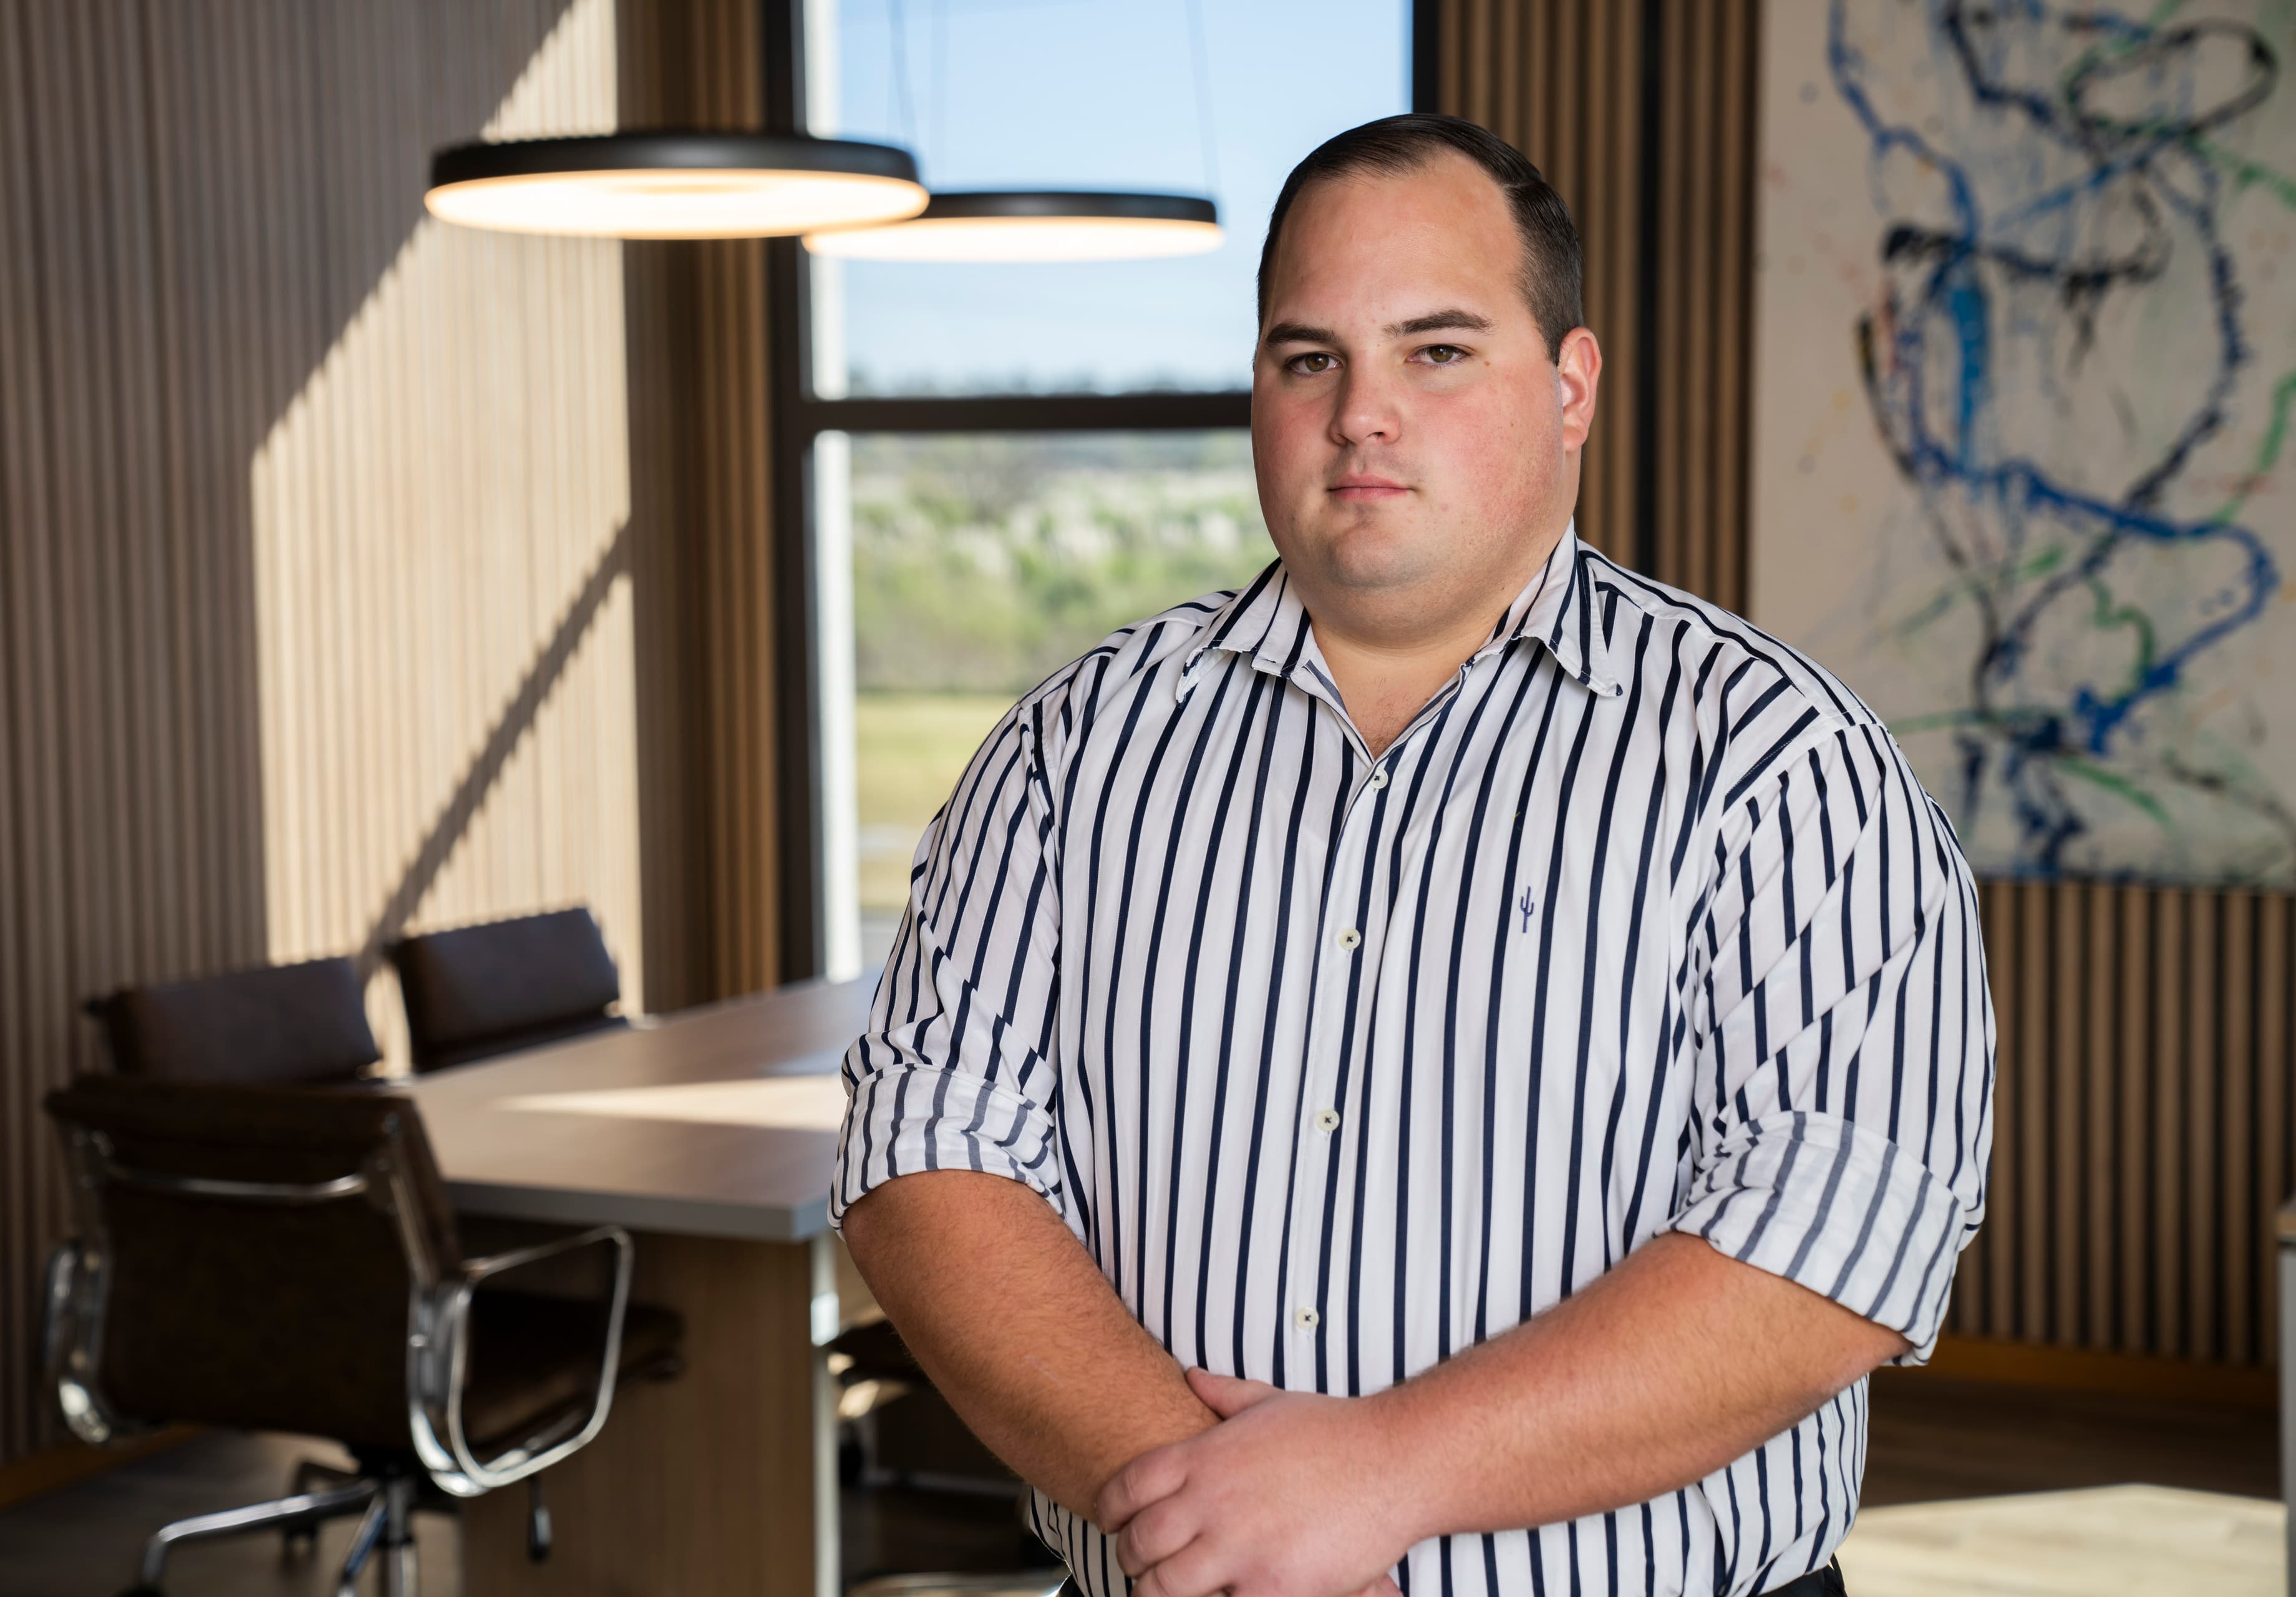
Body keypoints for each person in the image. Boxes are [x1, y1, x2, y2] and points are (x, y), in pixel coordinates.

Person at [830, 112, 1993, 1597]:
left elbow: (1840, 1232)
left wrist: (1382, 1474)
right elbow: (928, 1153)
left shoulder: (1782, 764)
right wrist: (1228, 1538)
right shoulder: (1072, 750)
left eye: (1436, 351)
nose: (1360, 413)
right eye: (1309, 358)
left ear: (1570, 389)